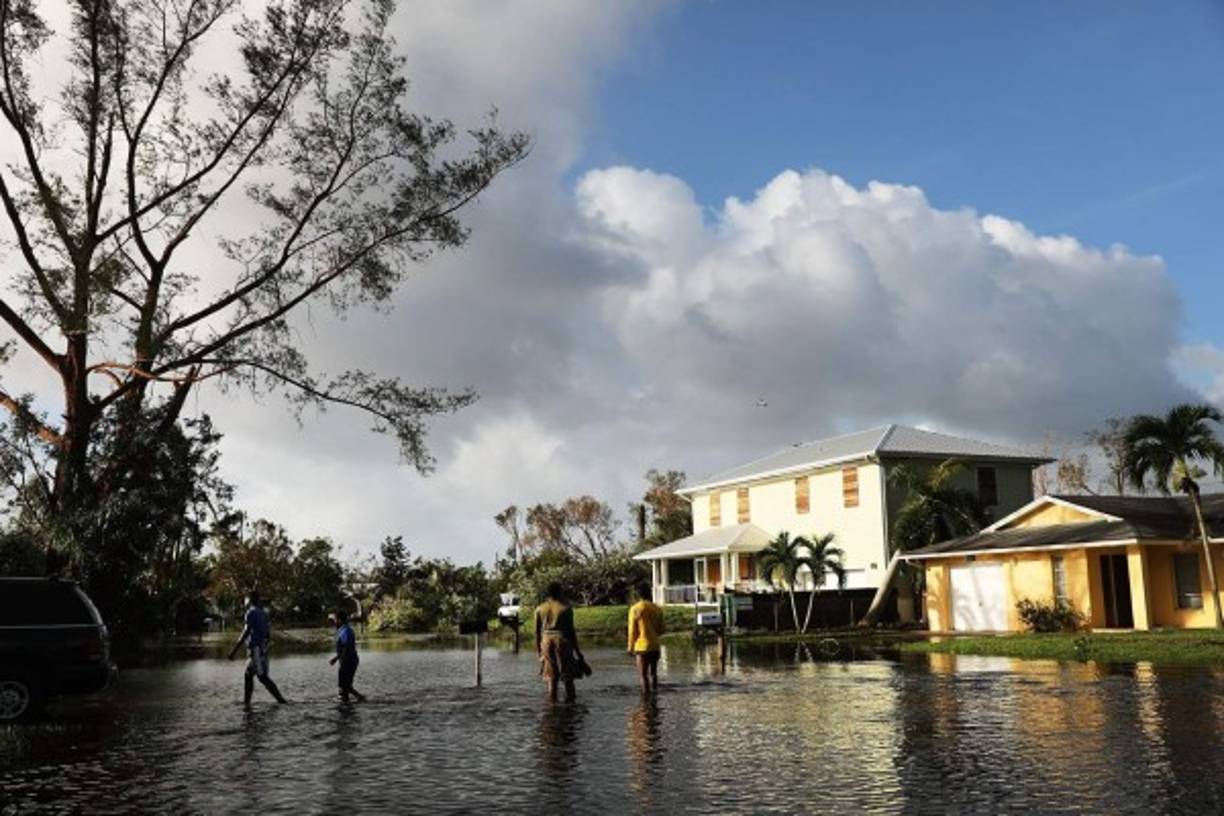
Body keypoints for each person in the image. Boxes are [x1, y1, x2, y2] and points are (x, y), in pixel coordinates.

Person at [228, 590, 288, 707]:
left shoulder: (250, 613)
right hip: (261, 649)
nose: (244, 602)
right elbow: (267, 634)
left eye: (245, 599)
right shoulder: (263, 613)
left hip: (255, 649)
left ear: (249, 600)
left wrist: (234, 651)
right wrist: (265, 647)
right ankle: (248, 702)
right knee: (251, 675)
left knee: (261, 677)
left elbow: (246, 632)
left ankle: (279, 700)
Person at [535, 582, 585, 702]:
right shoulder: (566, 608)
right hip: (562, 640)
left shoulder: (540, 608)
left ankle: (552, 706)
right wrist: (579, 653)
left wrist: (539, 653)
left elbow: (536, 632)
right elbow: (571, 632)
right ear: (559, 592)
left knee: (551, 678)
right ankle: (571, 708)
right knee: (568, 677)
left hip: (546, 640)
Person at [626, 582, 665, 694]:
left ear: (638, 595)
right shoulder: (657, 608)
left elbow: (632, 631)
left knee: (643, 675)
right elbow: (662, 629)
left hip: (641, 647)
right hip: (655, 646)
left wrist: (630, 647)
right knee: (653, 673)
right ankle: (655, 694)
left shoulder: (635, 609)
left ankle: (646, 699)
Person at [329, 610, 366, 703]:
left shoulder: (346, 631)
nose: (334, 622)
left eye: (335, 620)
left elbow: (347, 647)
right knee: (346, 685)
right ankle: (359, 698)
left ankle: (345, 708)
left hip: (349, 660)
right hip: (346, 660)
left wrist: (336, 658)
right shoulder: (342, 630)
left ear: (340, 620)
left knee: (343, 687)